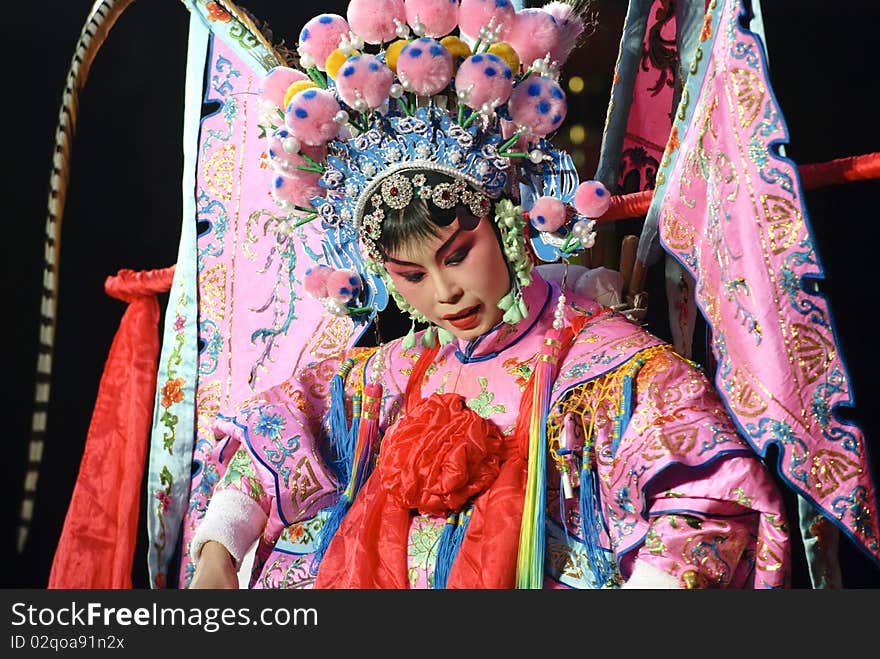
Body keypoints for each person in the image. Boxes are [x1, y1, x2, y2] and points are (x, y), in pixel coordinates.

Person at [185, 1, 792, 589]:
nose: (446, 294)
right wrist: (218, 547)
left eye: (457, 256)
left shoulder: (605, 368)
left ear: (505, 227)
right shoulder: (400, 369)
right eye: (412, 276)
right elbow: (278, 424)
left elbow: (708, 501)